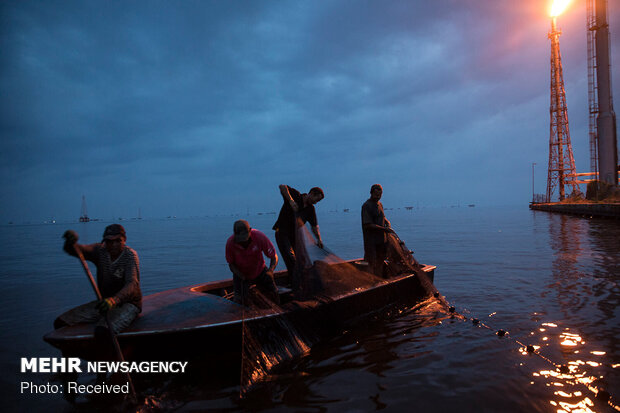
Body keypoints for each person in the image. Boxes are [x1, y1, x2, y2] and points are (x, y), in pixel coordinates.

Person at [56, 224, 142, 339]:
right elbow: (77, 250)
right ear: (105, 241)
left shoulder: (130, 255)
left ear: (124, 240)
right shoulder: (100, 251)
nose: (114, 245)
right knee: (60, 322)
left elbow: (132, 284)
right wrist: (70, 243)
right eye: (109, 241)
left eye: (118, 241)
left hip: (127, 303)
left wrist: (114, 300)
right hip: (104, 303)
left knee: (103, 332)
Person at [272, 185, 324, 294]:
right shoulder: (296, 195)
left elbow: (314, 226)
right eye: (316, 200)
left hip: (294, 235)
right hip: (282, 232)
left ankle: (296, 282)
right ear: (311, 193)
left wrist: (319, 239)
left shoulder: (310, 209)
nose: (316, 203)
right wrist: (291, 201)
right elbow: (282, 186)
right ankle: (293, 284)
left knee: (301, 259)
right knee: (290, 257)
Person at [226, 220, 280, 305]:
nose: (243, 242)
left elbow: (274, 257)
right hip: (241, 275)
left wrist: (270, 271)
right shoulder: (230, 243)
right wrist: (241, 276)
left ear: (250, 230)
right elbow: (231, 265)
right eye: (240, 240)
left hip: (260, 270)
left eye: (244, 239)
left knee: (273, 292)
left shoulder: (259, 236)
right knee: (240, 301)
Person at [361, 184, 393, 277]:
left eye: (380, 195)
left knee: (380, 261)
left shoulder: (380, 204)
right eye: (376, 195)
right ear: (371, 193)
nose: (378, 197)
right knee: (371, 263)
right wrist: (384, 229)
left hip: (382, 240)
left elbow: (382, 216)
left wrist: (386, 221)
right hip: (371, 242)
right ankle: (370, 282)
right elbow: (367, 225)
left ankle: (378, 281)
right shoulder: (366, 206)